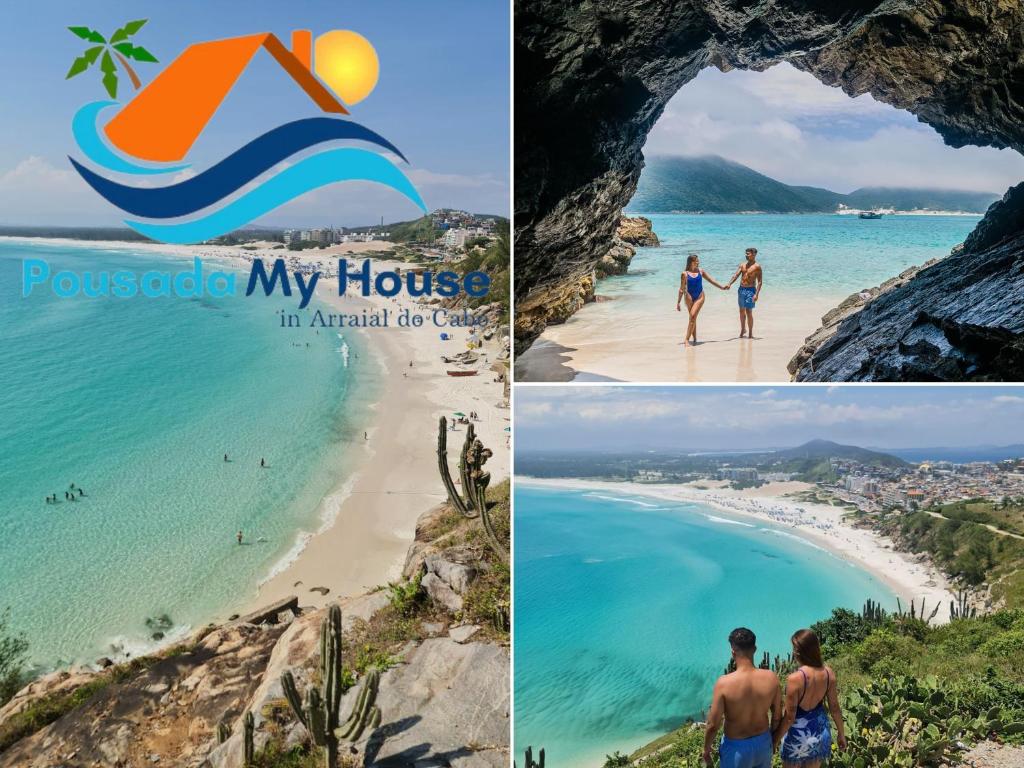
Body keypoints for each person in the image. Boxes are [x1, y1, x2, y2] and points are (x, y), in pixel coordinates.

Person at [704, 627, 781, 768]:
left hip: (736, 749)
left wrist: (706, 750)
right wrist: (773, 741)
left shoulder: (723, 683)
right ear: (755, 649)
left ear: (733, 652)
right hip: (763, 743)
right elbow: (777, 717)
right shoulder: (771, 678)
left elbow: (713, 725)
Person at [774, 629, 847, 767]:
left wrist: (775, 740)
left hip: (797, 736)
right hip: (818, 733)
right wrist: (841, 734)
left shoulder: (795, 679)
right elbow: (835, 708)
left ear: (798, 652)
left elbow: (789, 718)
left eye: (794, 648)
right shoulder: (828, 673)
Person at [677, 253, 728, 346]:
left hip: (700, 296)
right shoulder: (684, 274)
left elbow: (711, 280)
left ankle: (686, 340)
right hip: (689, 297)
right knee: (693, 317)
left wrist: (721, 287)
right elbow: (681, 289)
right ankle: (695, 339)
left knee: (692, 316)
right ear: (691, 262)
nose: (698, 262)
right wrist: (678, 302)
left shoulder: (701, 271)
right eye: (696, 261)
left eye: (698, 261)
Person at [727, 248, 763, 338]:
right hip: (741, 289)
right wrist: (729, 283)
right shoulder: (742, 265)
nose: (746, 255)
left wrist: (756, 294)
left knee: (749, 311)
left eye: (748, 254)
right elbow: (736, 275)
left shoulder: (757, 267)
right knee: (741, 311)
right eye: (746, 254)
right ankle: (743, 329)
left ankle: (750, 333)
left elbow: (759, 282)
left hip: (751, 290)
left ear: (754, 254)